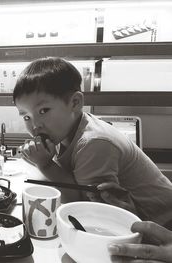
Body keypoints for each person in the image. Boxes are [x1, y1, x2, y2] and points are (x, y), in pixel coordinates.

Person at [14, 57, 172, 229]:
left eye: (43, 110)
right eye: (26, 117)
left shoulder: (93, 143)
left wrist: (45, 164)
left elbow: (86, 207)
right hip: (134, 222)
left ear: (75, 103)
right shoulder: (62, 131)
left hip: (163, 227)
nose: (35, 125)